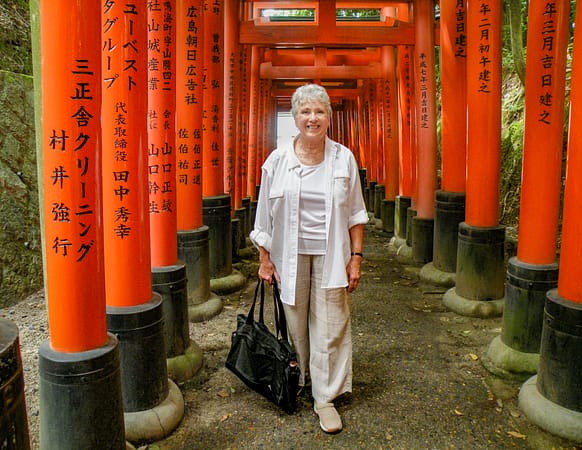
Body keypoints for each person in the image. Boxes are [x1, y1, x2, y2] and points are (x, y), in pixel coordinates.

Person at [250, 83, 368, 433]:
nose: (312, 118)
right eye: (305, 111)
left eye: (319, 111)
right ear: (295, 117)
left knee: (331, 324)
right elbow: (263, 218)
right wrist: (264, 259)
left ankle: (325, 397)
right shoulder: (278, 161)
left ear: (329, 118)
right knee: (296, 321)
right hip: (290, 256)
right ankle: (299, 377)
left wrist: (356, 258)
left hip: (332, 255)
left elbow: (356, 214)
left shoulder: (343, 158)